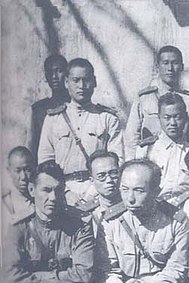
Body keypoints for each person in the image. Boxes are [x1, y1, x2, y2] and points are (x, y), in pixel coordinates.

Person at [38, 58, 124, 206]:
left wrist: (92, 192)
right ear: (66, 82)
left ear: (95, 82)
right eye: (76, 80)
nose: (82, 86)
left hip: (99, 194)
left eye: (87, 80)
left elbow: (118, 161)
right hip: (62, 194)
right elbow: (45, 163)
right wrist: (65, 192)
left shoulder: (107, 118)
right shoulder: (53, 119)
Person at [124, 45, 189, 158]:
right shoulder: (144, 99)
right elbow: (132, 138)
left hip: (181, 159)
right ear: (157, 67)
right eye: (165, 63)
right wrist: (132, 165)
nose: (170, 68)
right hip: (151, 158)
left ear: (182, 67)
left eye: (175, 63)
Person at [135, 92, 189, 202]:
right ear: (159, 118)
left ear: (185, 117)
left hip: (185, 207)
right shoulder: (146, 150)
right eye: (167, 118)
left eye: (178, 117)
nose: (173, 123)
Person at [30, 54, 70, 157]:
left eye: (59, 71)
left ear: (67, 74)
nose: (54, 77)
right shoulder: (39, 109)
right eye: (50, 72)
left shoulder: (76, 105)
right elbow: (35, 146)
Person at [76, 150, 122, 236]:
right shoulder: (87, 214)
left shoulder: (132, 208)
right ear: (92, 180)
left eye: (113, 173)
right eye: (101, 176)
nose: (109, 180)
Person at [2, 147, 35, 226]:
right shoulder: (5, 201)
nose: (23, 177)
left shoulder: (40, 197)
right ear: (9, 171)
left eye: (27, 169)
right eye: (18, 171)